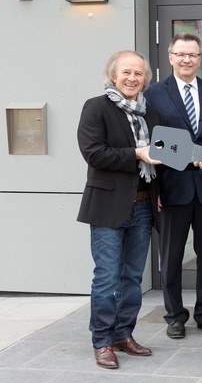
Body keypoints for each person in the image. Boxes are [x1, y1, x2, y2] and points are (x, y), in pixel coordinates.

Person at [77, 50, 162, 369]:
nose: (132, 78)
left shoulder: (151, 113)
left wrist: (196, 155)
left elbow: (163, 156)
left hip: (143, 206)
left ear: (145, 80)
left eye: (138, 73)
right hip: (108, 207)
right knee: (107, 278)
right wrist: (137, 153)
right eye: (126, 72)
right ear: (113, 76)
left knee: (132, 278)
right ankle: (102, 340)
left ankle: (123, 334)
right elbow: (93, 153)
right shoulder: (96, 107)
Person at [144, 33, 202, 340]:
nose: (187, 59)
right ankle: (175, 316)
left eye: (192, 54)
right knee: (171, 258)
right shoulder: (153, 94)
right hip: (171, 189)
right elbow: (150, 141)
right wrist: (188, 154)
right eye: (181, 54)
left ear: (200, 58)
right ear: (170, 57)